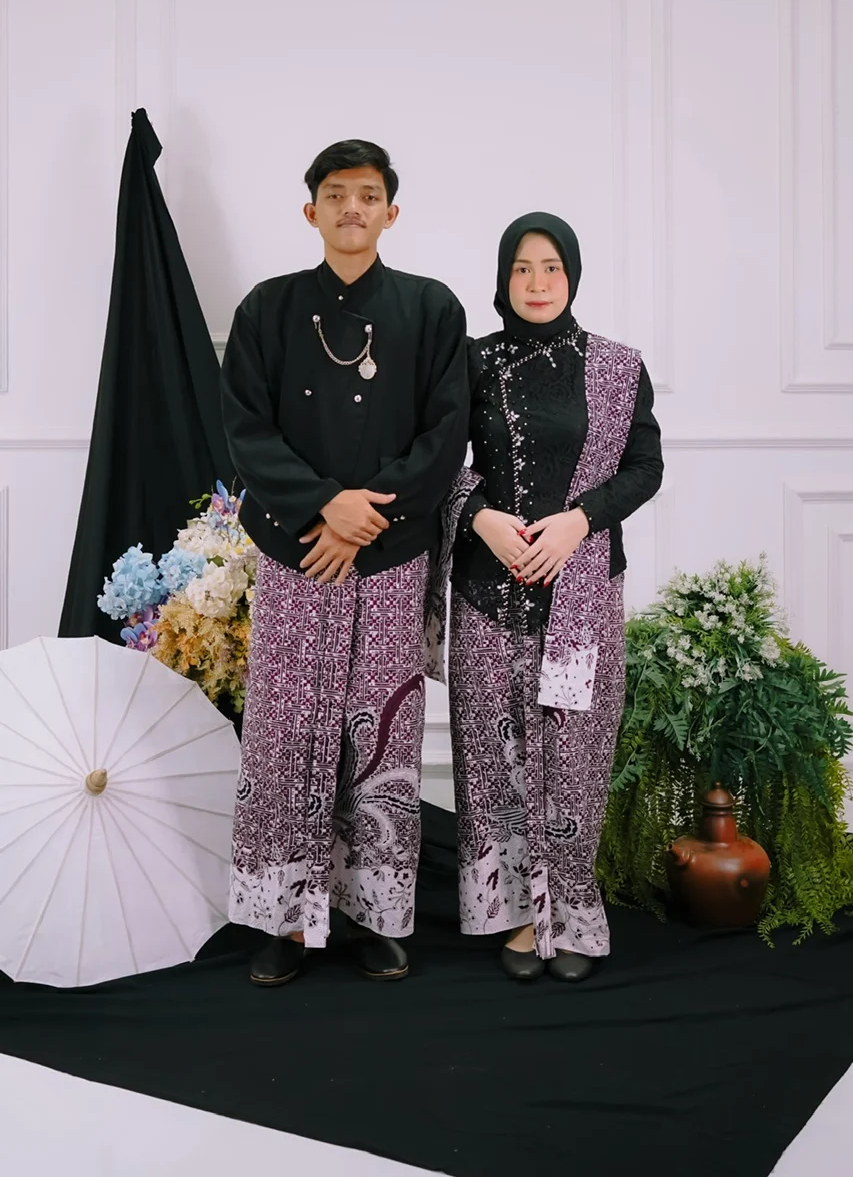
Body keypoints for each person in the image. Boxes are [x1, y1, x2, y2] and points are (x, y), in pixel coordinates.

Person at [221, 140, 469, 985]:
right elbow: (245, 428)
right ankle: (284, 922)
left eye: (367, 195)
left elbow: (444, 434)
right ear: (311, 211)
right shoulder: (267, 309)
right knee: (286, 735)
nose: (351, 208)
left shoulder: (431, 309)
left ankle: (374, 917)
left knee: (381, 736)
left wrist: (365, 518)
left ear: (390, 212)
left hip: (391, 558)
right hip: (294, 553)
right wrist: (324, 506)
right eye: (335, 194)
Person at [447, 213, 663, 982]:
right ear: (501, 278)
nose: (536, 283)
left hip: (581, 595)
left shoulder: (615, 366)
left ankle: (569, 914)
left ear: (571, 275)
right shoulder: (471, 361)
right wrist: (479, 515)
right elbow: (430, 458)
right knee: (493, 756)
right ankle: (514, 914)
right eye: (521, 268)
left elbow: (644, 467)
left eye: (551, 268)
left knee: (574, 754)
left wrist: (579, 520)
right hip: (487, 590)